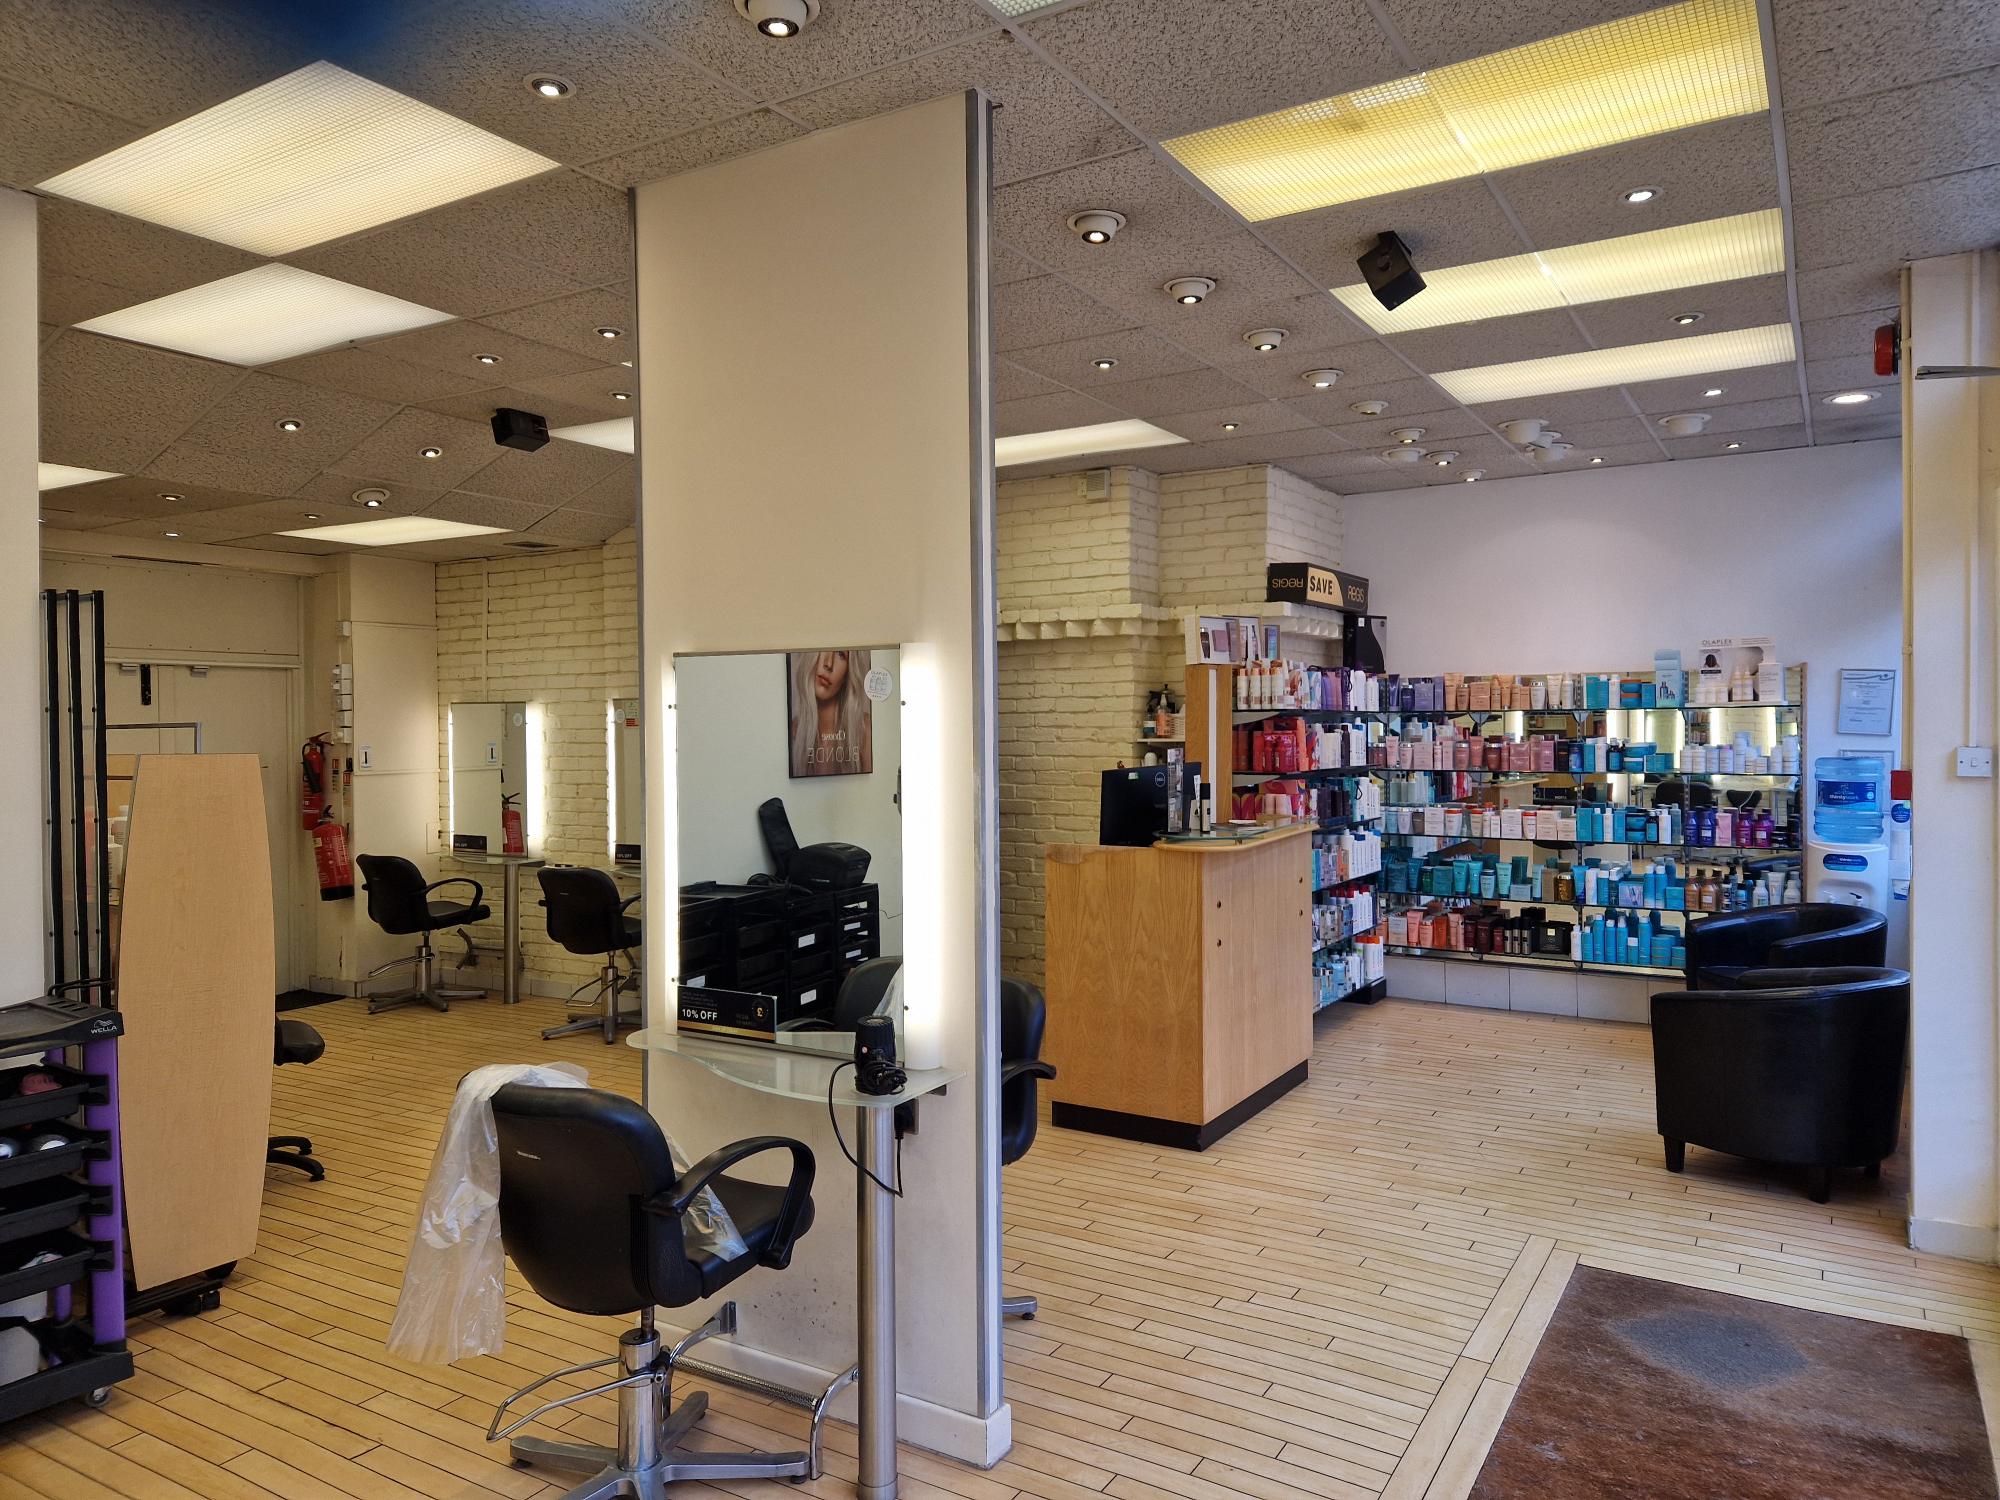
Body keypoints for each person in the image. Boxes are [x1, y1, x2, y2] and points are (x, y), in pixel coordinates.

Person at [790, 649, 873, 776]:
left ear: (848, 671)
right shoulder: (792, 733)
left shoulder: (865, 731)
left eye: (840, 654)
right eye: (822, 649)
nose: (828, 664)